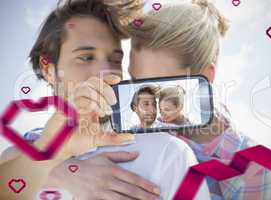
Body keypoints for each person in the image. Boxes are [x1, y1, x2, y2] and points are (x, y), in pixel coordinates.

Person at [0, 0, 200, 199]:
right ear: (48, 69)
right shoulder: (15, 161)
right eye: (86, 57)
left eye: (115, 60)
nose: (105, 72)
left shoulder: (168, 153)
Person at [112, 0, 271, 199]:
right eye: (135, 81)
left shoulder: (252, 165)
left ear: (205, 76)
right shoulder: (131, 132)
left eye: (161, 86)